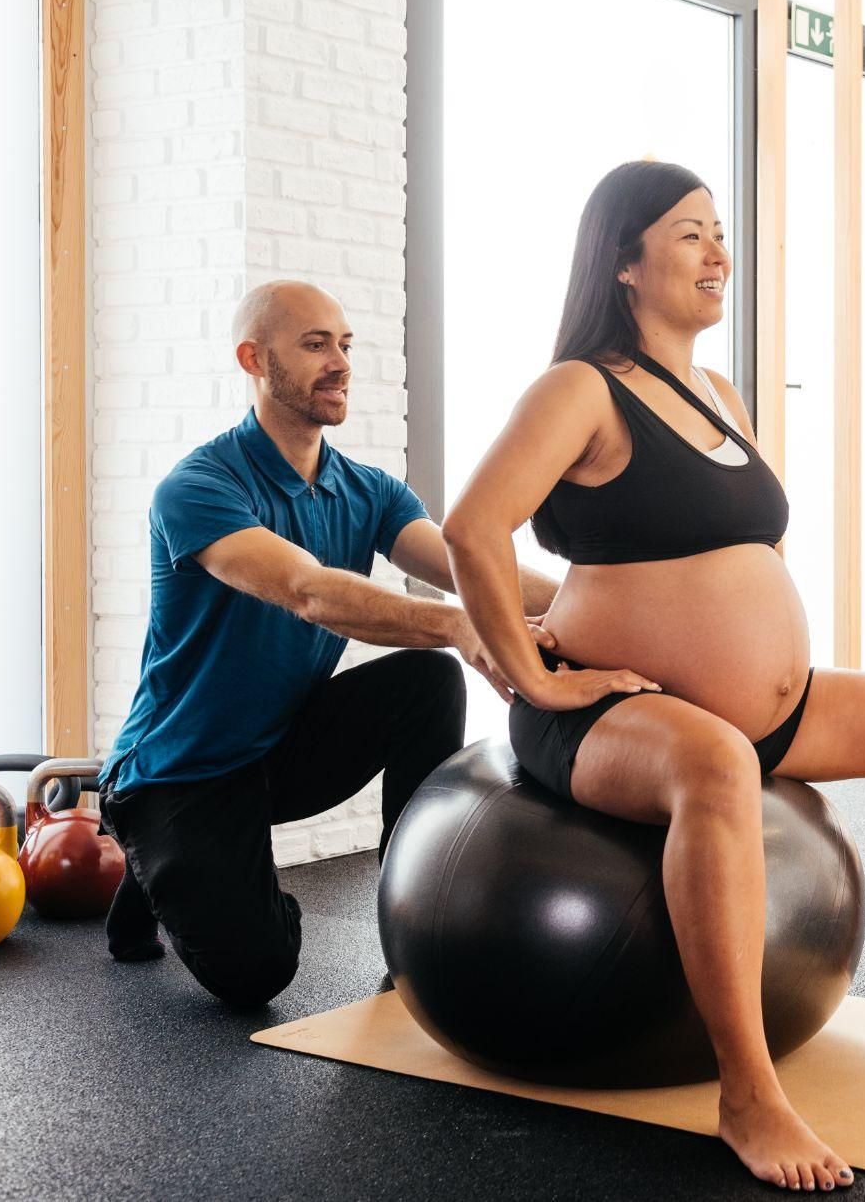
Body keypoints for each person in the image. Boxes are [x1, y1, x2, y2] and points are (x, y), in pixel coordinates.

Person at [443, 162, 865, 1192]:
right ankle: (747, 1090)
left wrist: (770, 659)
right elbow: (472, 528)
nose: (718, 254)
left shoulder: (717, 392)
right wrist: (533, 677)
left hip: (751, 706)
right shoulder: (579, 387)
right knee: (713, 761)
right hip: (610, 710)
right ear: (623, 261)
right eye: (687, 235)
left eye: (719, 232)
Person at [100, 279, 557, 1007]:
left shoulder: (367, 489)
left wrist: (591, 604)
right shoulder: (198, 486)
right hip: (183, 769)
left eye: (345, 344)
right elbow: (309, 591)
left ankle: (413, 916)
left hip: (280, 747)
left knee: (428, 682)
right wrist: (460, 624)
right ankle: (159, 850)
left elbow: (464, 566)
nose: (340, 362)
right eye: (316, 345)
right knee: (259, 974)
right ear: (254, 358)